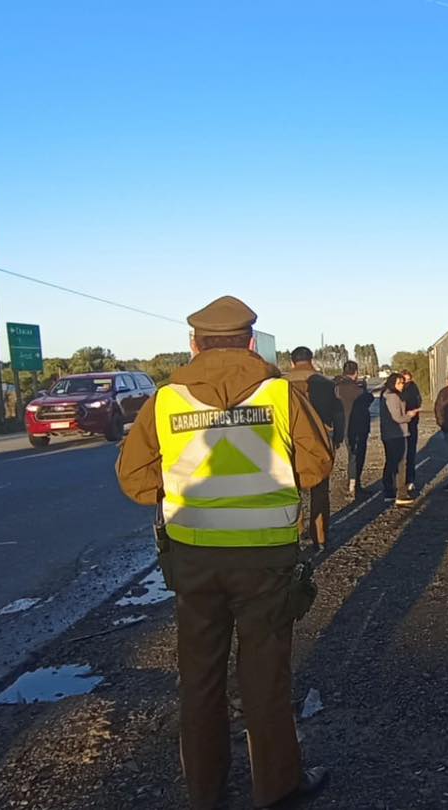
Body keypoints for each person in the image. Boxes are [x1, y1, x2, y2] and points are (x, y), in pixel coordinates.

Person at [114, 295, 331, 810]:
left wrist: (183, 496)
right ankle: (276, 789)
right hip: (265, 560)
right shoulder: (280, 394)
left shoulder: (166, 400)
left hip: (193, 559)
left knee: (200, 679)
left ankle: (205, 793)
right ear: (251, 342)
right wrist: (272, 483)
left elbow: (134, 478)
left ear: (194, 344)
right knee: (265, 677)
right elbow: (318, 464)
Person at [284, 347, 341, 549]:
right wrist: (338, 439)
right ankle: (321, 536)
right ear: (312, 360)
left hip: (287, 443)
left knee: (290, 490)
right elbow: (338, 413)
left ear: (292, 363)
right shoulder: (326, 384)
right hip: (319, 442)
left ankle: (296, 533)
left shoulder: (280, 385)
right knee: (320, 490)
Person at [379, 372, 419, 505]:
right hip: (397, 434)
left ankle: (389, 491)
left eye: (403, 382)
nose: (402, 385)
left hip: (389, 434)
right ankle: (401, 493)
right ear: (393, 383)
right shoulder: (393, 397)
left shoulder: (386, 395)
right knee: (400, 464)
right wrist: (409, 415)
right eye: (400, 383)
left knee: (390, 462)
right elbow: (397, 417)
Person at [336, 362, 374, 499]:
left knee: (351, 455)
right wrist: (364, 388)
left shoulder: (337, 387)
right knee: (357, 456)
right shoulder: (357, 389)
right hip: (358, 427)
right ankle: (354, 485)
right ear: (356, 372)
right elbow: (368, 399)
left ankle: (352, 484)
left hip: (342, 426)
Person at [399, 369, 423, 494]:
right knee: (400, 455)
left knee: (411, 453)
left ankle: (410, 480)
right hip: (401, 425)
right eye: (405, 380)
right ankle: (400, 481)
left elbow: (419, 401)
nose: (407, 382)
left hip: (412, 423)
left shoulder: (414, 388)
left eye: (409, 380)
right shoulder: (397, 391)